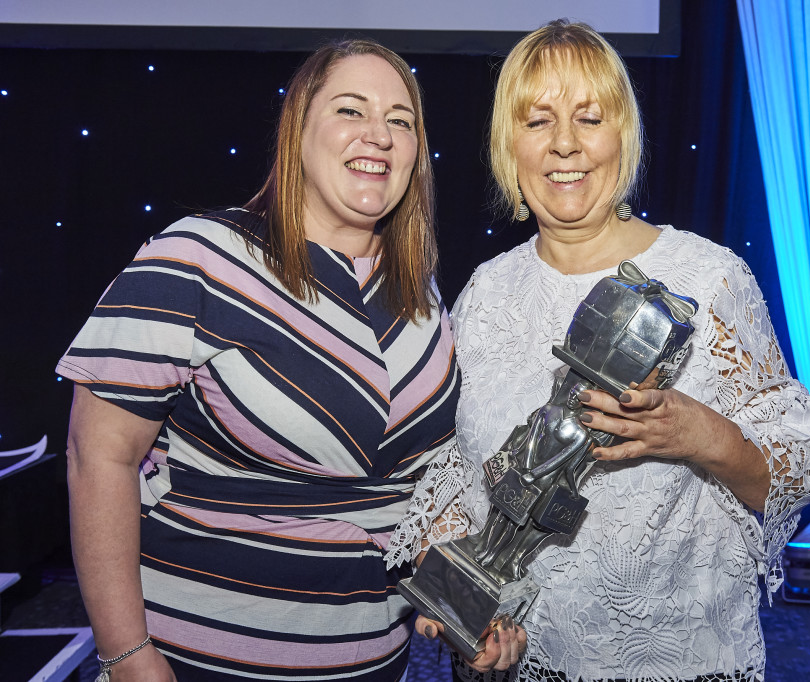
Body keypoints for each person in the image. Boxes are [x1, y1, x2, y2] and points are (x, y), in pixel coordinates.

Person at [57, 39, 518, 681]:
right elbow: (97, 456)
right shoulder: (198, 257)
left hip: (370, 663)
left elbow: (417, 496)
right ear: (298, 131)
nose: (378, 135)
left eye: (400, 120)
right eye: (350, 110)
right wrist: (128, 655)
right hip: (196, 659)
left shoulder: (421, 299)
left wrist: (468, 613)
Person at [407, 19, 810, 682]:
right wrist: (474, 614)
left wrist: (705, 434)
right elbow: (452, 470)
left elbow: (805, 463)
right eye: (537, 121)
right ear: (509, 144)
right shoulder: (489, 290)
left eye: (589, 117)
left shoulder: (708, 280)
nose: (564, 145)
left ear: (624, 135)